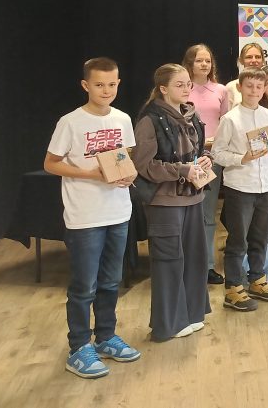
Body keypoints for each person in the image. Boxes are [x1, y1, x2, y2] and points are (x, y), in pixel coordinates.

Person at [44, 57, 140, 378]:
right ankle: (79, 347)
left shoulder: (123, 119)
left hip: (118, 212)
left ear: (118, 83)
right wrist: (90, 174)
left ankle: (106, 337)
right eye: (99, 84)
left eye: (112, 84)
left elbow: (125, 157)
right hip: (84, 216)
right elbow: (50, 163)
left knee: (111, 282)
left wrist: (128, 173)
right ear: (86, 85)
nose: (106, 90)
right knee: (84, 286)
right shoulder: (70, 122)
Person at [132, 64, 213, 336]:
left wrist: (205, 159)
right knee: (168, 260)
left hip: (193, 197)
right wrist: (181, 170)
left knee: (195, 257)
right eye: (180, 84)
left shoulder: (192, 115)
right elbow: (144, 166)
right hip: (165, 201)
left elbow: (198, 150)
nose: (187, 88)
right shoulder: (150, 120)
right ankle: (169, 324)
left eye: (188, 83)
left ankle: (191, 313)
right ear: (163, 88)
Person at [211, 67, 268, 311]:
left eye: (259, 86)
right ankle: (233, 289)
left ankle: (257, 280)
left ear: (264, 89)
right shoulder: (230, 119)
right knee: (238, 240)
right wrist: (241, 158)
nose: (254, 91)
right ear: (240, 87)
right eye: (249, 86)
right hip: (240, 187)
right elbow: (217, 153)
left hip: (265, 187)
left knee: (260, 238)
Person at [181, 43, 230, 285]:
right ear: (189, 64)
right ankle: (185, 264)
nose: (204, 64)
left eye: (207, 61)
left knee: (208, 213)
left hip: (211, 159)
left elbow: (226, 122)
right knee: (185, 214)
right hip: (185, 159)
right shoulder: (182, 89)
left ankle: (207, 266)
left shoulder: (221, 90)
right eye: (199, 60)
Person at [239, 64, 268, 287]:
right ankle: (244, 272)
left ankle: (263, 272)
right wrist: (242, 158)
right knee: (246, 233)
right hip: (244, 184)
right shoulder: (236, 116)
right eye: (267, 83)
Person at [225, 43, 265, 107]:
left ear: (263, 60)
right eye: (249, 57)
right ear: (241, 60)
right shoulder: (231, 87)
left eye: (258, 57)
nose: (254, 60)